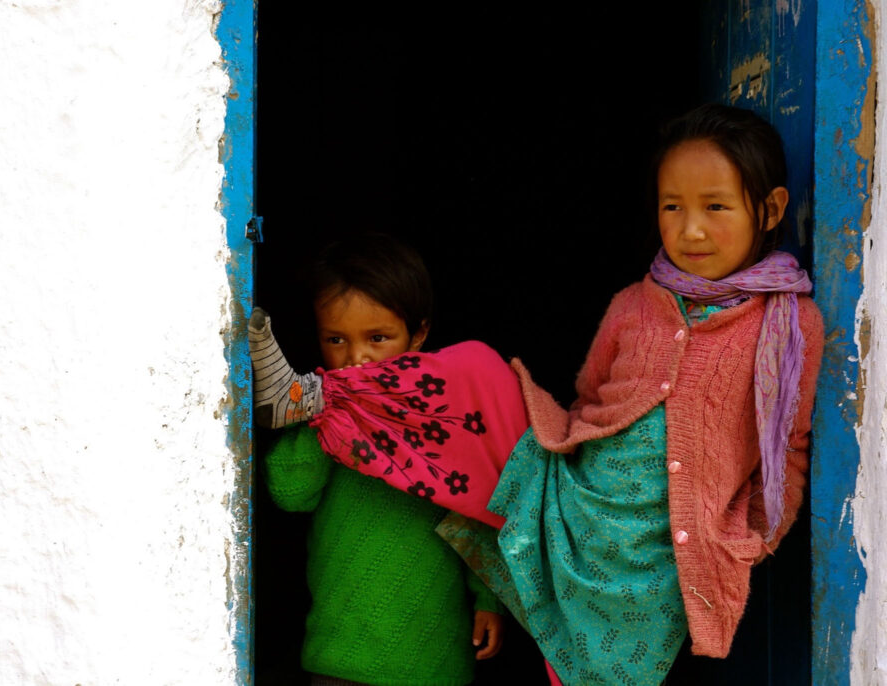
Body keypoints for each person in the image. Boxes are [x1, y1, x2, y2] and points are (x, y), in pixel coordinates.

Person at [250, 103, 824, 685]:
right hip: (573, 501)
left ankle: (317, 398)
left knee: (592, 669)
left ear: (770, 209)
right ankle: (310, 398)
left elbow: (788, 446)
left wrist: (751, 539)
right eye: (671, 206)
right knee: (474, 363)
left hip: (661, 552)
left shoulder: (791, 325)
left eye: (715, 207)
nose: (690, 227)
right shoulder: (636, 303)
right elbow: (590, 396)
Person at [255, 232, 508, 686]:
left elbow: (477, 509)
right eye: (336, 339)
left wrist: (488, 599)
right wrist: (327, 412)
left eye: (378, 337)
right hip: (341, 650)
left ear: (419, 335)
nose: (356, 358)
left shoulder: (440, 416)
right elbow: (291, 494)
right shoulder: (326, 417)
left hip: (434, 654)